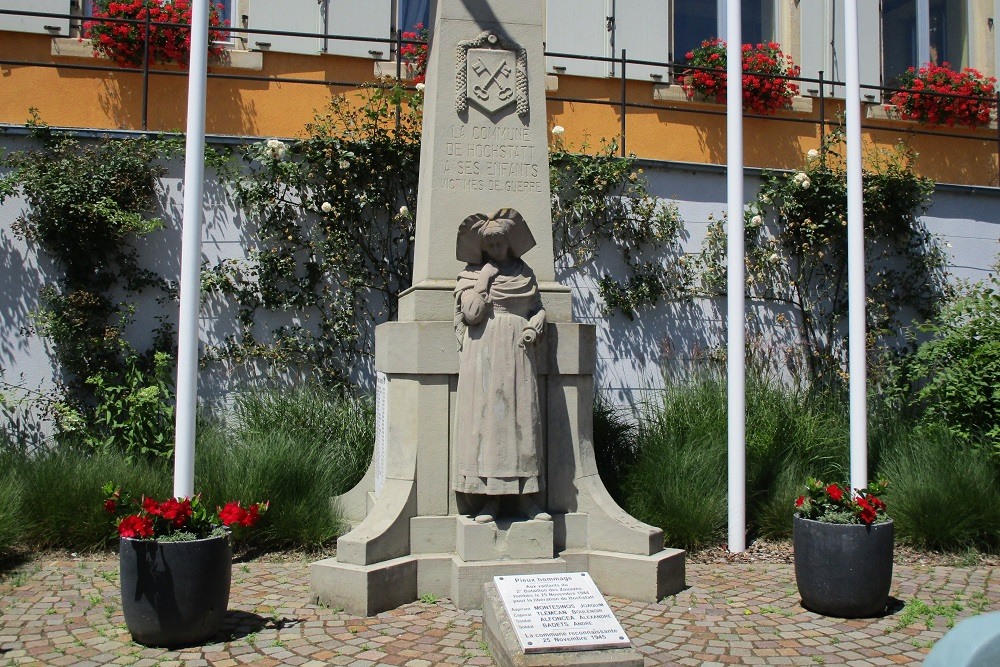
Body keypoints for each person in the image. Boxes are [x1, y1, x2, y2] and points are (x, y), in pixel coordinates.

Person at [453, 209, 550, 523]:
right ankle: (490, 500)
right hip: (485, 352)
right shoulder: (472, 275)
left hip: (520, 354)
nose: (495, 250)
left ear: (509, 242)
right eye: (489, 245)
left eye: (499, 244)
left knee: (524, 421)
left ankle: (526, 498)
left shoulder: (525, 274)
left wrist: (535, 327)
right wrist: (484, 278)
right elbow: (471, 314)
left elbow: (538, 310)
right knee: (490, 424)